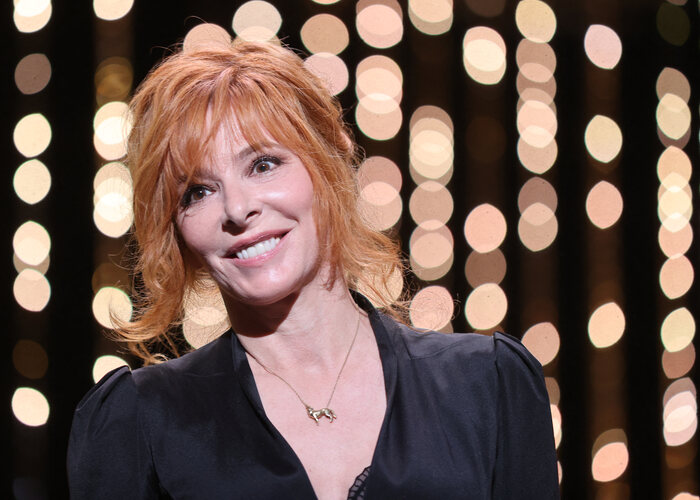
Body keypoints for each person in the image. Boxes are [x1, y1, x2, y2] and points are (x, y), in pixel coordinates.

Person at [68, 39, 559, 499]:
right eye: (197, 191)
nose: (237, 209)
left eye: (263, 164)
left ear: (331, 156)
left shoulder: (488, 385)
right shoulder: (137, 422)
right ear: (175, 227)